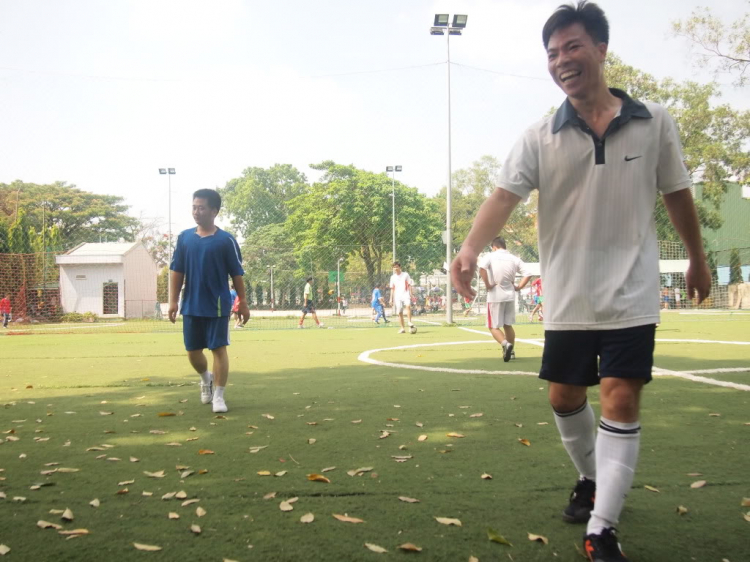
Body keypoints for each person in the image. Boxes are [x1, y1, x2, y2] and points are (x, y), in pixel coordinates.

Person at [450, 3, 711, 560]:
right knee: (564, 397)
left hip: (632, 293)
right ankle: (595, 480)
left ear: (600, 50)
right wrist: (470, 248)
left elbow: (677, 194)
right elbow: (502, 197)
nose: (561, 61)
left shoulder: (654, 121)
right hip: (568, 297)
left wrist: (697, 257)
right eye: (551, 53)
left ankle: (602, 530)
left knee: (620, 396)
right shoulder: (539, 135)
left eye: (571, 47)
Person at [169, 188, 249, 414]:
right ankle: (206, 378)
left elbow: (237, 274)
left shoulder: (226, 240)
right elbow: (177, 271)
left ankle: (219, 396)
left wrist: (242, 301)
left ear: (214, 211)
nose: (196, 211)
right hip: (191, 304)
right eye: (194, 207)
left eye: (201, 207)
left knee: (218, 349)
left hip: (217, 305)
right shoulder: (184, 238)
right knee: (193, 351)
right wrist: (173, 301)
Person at [479, 237, 531, 362]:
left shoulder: (490, 256)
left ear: (494, 247)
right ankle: (511, 352)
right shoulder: (514, 258)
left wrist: (487, 285)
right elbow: (528, 273)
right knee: (508, 325)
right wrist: (518, 287)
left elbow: (481, 268)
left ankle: (505, 344)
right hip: (510, 295)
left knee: (493, 326)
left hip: (495, 295)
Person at [389, 262, 415, 334]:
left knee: (408, 306)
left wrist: (411, 293)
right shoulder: (392, 277)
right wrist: (391, 299)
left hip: (405, 294)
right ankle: (402, 328)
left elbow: (409, 284)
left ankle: (409, 322)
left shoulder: (405, 275)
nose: (395, 268)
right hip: (397, 296)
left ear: (400, 267)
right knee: (400, 312)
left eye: (397, 267)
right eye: (394, 267)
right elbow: (392, 288)